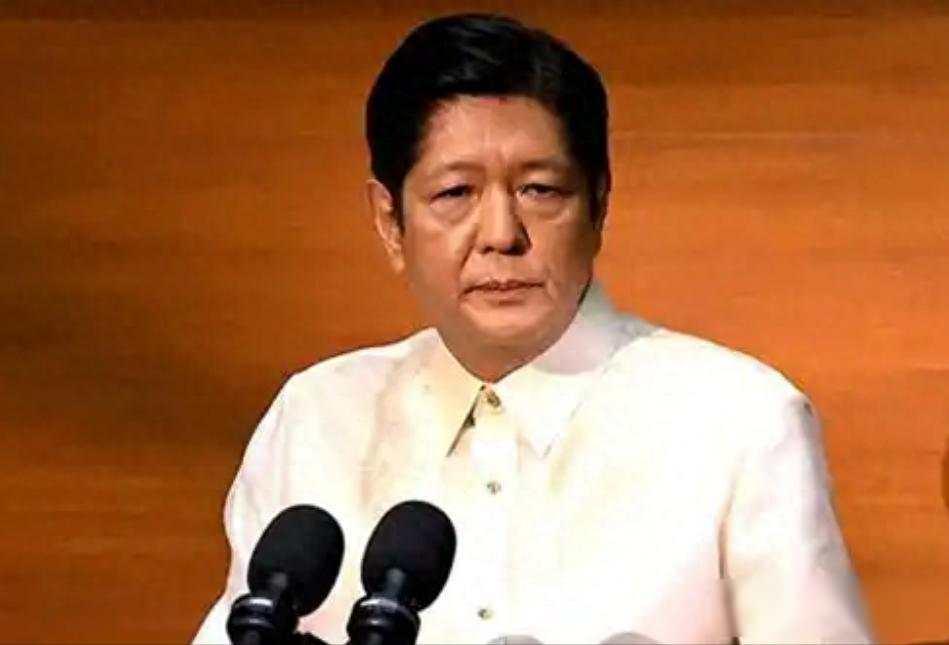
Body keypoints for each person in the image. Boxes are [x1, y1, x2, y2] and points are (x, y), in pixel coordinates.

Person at [194, 13, 874, 644]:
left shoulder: (740, 422)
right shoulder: (317, 418)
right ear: (389, 221)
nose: (501, 235)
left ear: (599, 203)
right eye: (454, 194)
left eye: (539, 190)